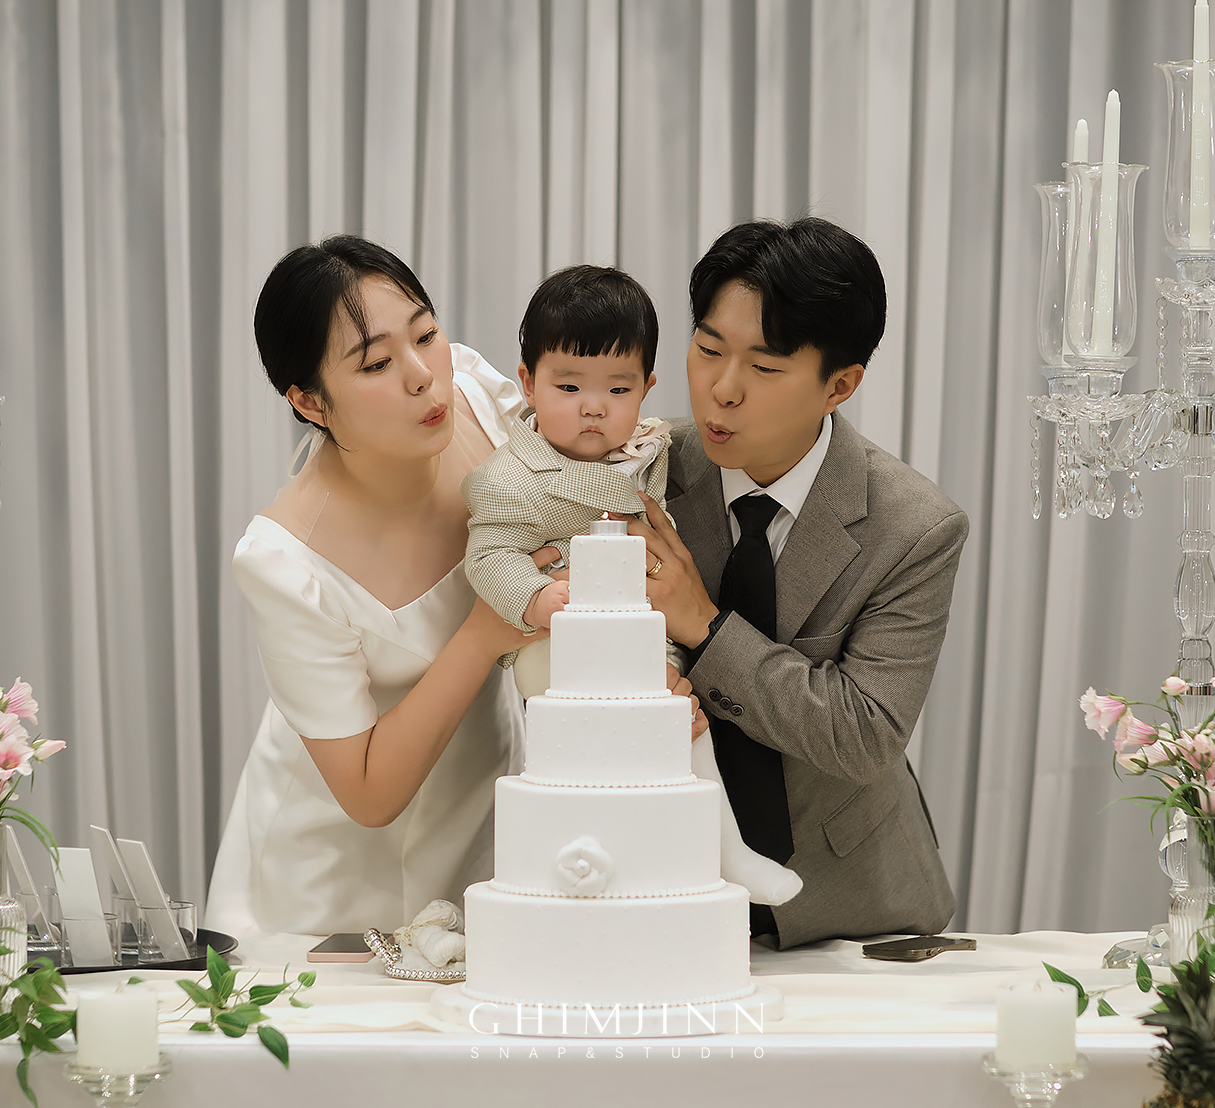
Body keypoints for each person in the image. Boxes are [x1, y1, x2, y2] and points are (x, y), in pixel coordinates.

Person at [632, 217, 969, 949]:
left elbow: (863, 734)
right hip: (652, 890)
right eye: (708, 349)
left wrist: (706, 628)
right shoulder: (641, 469)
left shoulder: (914, 526)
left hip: (849, 905)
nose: (721, 390)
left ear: (839, 385)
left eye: (764, 368)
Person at [206, 236, 544, 938]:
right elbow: (365, 793)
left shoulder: (479, 400)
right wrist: (484, 634)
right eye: (377, 364)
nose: (423, 376)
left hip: (482, 806)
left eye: (425, 334)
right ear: (310, 401)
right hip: (334, 872)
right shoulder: (285, 562)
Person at [459, 265, 800, 905]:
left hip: (642, 629)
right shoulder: (508, 479)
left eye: (617, 389)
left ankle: (719, 853)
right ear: (528, 383)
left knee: (681, 721)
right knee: (631, 731)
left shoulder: (651, 450)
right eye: (568, 387)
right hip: (553, 643)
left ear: (645, 388)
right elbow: (489, 555)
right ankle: (610, 860)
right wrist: (537, 597)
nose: (593, 406)